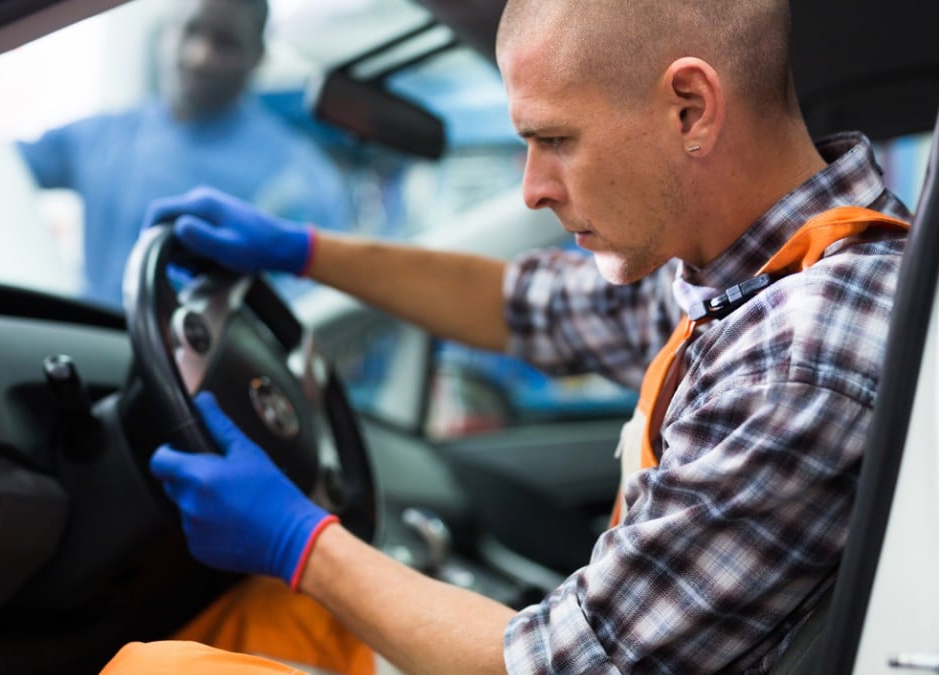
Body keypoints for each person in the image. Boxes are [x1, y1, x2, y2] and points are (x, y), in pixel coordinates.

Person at [106, 0, 912, 672]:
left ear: (689, 109)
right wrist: (305, 250)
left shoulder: (800, 356)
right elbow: (527, 305)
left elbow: (561, 665)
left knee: (153, 668)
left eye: (555, 140)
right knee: (258, 616)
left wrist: (296, 539)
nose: (531, 189)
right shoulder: (752, 273)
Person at [16, 0, 351, 309]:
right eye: (191, 30)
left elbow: (312, 309)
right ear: (167, 32)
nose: (199, 55)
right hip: (84, 346)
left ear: (258, 55)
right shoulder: (100, 137)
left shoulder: (298, 176)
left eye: (225, 42)